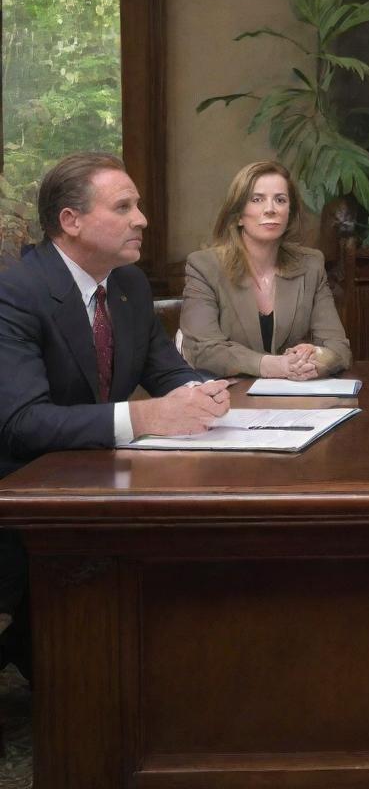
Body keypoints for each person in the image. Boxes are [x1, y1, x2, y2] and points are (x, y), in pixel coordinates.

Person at [0, 152, 231, 678]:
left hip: (99, 484)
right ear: (70, 221)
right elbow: (23, 422)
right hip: (23, 494)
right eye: (124, 207)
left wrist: (204, 392)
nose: (141, 219)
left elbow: (169, 371)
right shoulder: (16, 293)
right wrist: (147, 418)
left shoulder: (128, 284)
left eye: (140, 206)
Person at [180, 161, 352, 379]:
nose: (270, 209)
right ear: (239, 214)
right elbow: (204, 351)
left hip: (297, 401)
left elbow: (337, 348)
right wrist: (274, 365)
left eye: (280, 200)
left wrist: (312, 357)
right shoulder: (204, 267)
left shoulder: (311, 265)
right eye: (257, 199)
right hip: (231, 400)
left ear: (289, 213)